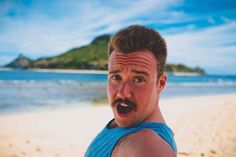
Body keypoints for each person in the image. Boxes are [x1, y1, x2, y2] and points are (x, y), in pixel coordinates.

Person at [85, 25, 177, 157]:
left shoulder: (146, 144)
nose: (122, 93)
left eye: (138, 79)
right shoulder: (130, 119)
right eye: (116, 77)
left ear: (160, 83)